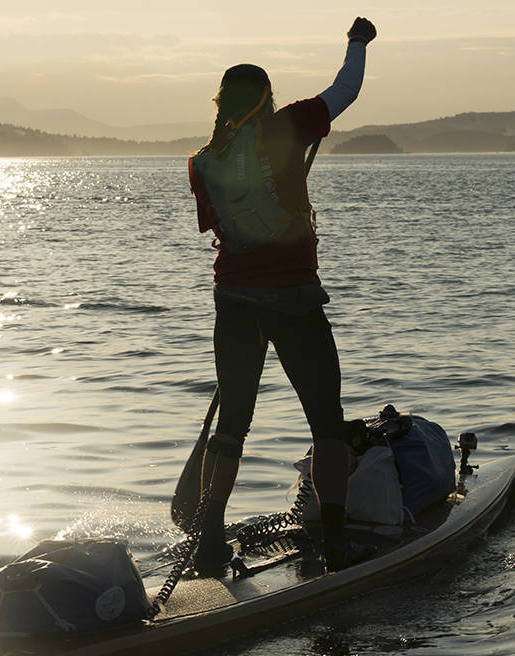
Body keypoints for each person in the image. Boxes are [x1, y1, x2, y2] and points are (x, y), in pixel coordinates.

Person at [177, 16, 377, 576]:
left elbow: (220, 229)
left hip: (233, 300)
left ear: (220, 103)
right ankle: (335, 543)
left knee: (233, 423)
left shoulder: (201, 161)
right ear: (266, 100)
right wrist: (357, 42)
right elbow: (347, 90)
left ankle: (210, 538)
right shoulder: (289, 127)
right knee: (325, 423)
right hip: (294, 301)